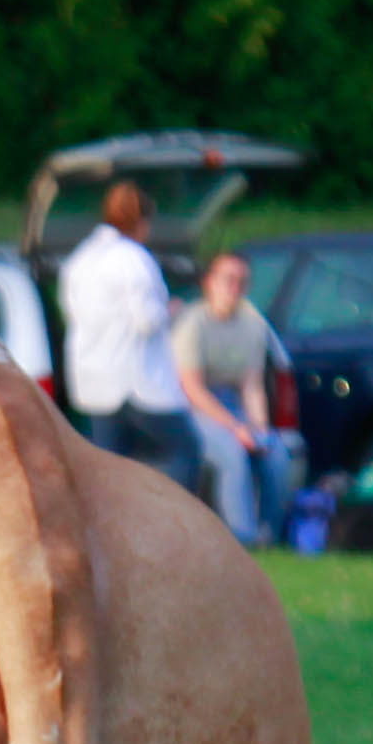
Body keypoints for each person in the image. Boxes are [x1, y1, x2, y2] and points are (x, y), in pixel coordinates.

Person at [58, 179, 209, 496]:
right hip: (137, 383)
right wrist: (171, 310)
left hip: (93, 382)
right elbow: (146, 320)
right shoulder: (134, 258)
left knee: (109, 469)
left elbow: (70, 311)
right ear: (141, 221)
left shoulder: (80, 259)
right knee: (185, 450)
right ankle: (172, 516)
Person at [172, 247, 291, 547]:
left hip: (232, 405)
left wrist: (258, 427)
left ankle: (271, 536)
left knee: (276, 452)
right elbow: (192, 388)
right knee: (232, 452)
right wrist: (236, 428)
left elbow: (251, 385)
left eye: (242, 281)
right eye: (228, 279)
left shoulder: (253, 325)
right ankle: (243, 538)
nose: (235, 288)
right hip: (194, 409)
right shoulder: (192, 323)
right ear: (209, 283)